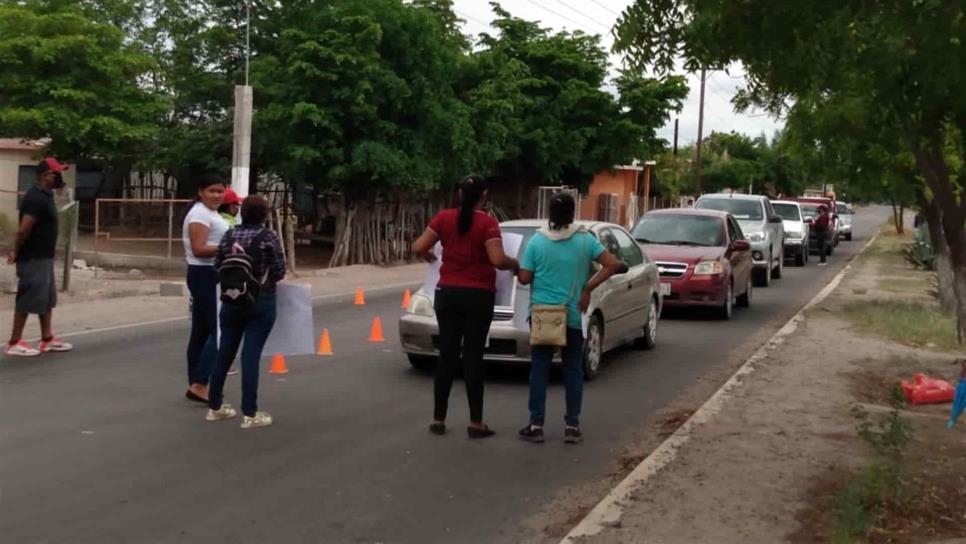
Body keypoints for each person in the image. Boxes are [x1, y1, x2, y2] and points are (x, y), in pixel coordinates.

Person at [412, 175, 519, 438]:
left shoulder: (444, 218)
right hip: (478, 297)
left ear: (460, 194)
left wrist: (429, 256)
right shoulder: (488, 224)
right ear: (485, 195)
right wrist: (514, 264)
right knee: (472, 358)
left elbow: (418, 247)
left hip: (447, 294)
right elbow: (496, 259)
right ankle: (476, 422)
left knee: (447, 356)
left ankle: (438, 419)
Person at [517, 193, 623, 444]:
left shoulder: (537, 242)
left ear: (550, 214)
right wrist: (587, 288)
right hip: (573, 314)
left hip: (543, 315)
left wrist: (515, 267)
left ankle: (536, 424)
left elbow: (524, 278)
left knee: (539, 370)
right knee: (573, 369)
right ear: (573, 213)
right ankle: (572, 426)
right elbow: (612, 264)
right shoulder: (586, 241)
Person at [206, 195, 285, 429]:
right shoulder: (268, 237)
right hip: (260, 301)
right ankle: (250, 413)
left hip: (231, 300)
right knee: (250, 356)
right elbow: (280, 270)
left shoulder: (229, 235)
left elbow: (217, 265)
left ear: (242, 213)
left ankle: (215, 407)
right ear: (265, 214)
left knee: (224, 353)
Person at [4, 158, 73, 357]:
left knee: (47, 299)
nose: (59, 176)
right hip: (33, 258)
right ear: (45, 175)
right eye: (56, 173)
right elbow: (23, 230)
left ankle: (47, 339)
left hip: (45, 257)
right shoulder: (35, 198)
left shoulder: (46, 194)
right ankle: (14, 342)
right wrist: (15, 250)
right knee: (27, 298)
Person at [182, 177, 229, 403]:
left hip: (210, 274)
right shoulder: (200, 213)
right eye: (212, 190)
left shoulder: (210, 213)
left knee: (201, 333)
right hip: (205, 274)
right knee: (221, 331)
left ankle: (196, 384)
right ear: (200, 191)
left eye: (220, 191)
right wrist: (229, 248)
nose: (217, 195)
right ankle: (200, 382)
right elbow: (199, 249)